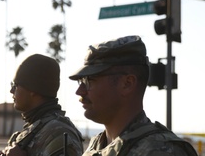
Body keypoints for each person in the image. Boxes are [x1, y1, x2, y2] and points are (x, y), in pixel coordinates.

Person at [68, 35, 197, 156]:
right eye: (81, 81)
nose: (80, 91)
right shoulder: (95, 147)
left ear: (127, 84)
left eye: (90, 80)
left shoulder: (161, 151)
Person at [0, 54, 84, 156]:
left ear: (32, 89)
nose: (11, 91)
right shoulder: (37, 128)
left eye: (15, 85)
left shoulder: (58, 132)